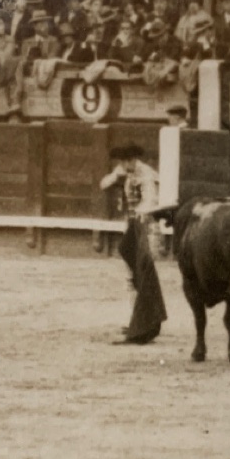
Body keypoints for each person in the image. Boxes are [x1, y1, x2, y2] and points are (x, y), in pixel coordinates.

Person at [100, 145, 168, 345]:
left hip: (146, 230)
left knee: (141, 275)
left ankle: (144, 323)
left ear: (132, 160)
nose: (121, 165)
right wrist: (115, 176)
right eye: (120, 162)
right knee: (132, 276)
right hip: (132, 228)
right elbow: (103, 184)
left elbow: (150, 201)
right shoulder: (125, 171)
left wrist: (139, 215)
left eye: (124, 161)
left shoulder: (146, 175)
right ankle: (137, 320)